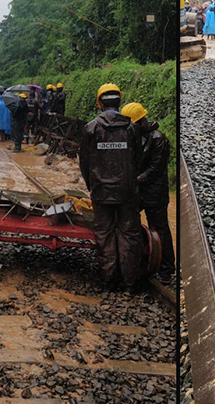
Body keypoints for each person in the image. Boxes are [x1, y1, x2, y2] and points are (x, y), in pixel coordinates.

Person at [79, 84, 143, 291]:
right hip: (127, 192)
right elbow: (138, 159)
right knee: (130, 234)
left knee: (104, 234)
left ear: (99, 104)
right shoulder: (131, 128)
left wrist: (93, 186)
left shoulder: (91, 128)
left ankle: (108, 281)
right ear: (119, 103)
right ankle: (130, 283)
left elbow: (85, 162)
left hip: (101, 191)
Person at [121, 102, 174, 283]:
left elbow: (155, 169)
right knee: (129, 222)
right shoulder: (134, 137)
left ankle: (167, 269)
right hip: (139, 190)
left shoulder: (158, 139)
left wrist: (136, 178)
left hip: (155, 193)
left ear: (142, 121)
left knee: (160, 228)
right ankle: (138, 259)